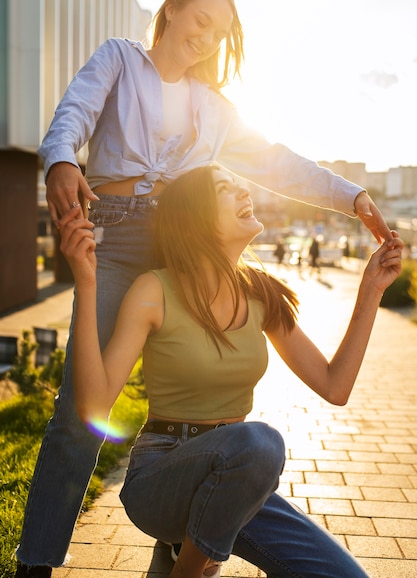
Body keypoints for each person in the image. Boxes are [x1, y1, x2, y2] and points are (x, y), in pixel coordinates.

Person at [15, 0, 394, 577]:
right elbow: (75, 112)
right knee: (84, 409)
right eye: (200, 22)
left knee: (191, 381)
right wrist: (61, 157)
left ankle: (179, 529)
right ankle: (36, 563)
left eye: (219, 34)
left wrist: (351, 197)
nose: (206, 39)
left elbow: (278, 162)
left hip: (179, 245)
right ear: (171, 11)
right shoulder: (119, 59)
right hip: (114, 239)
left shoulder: (215, 109)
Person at [61, 165, 402, 578]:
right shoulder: (154, 290)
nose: (245, 192)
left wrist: (371, 289)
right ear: (195, 218)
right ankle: (189, 570)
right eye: (226, 189)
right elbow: (95, 404)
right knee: (260, 441)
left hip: (240, 481)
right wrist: (87, 282)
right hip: (161, 475)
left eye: (242, 184)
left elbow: (335, 386)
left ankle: (184, 554)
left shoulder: (261, 291)